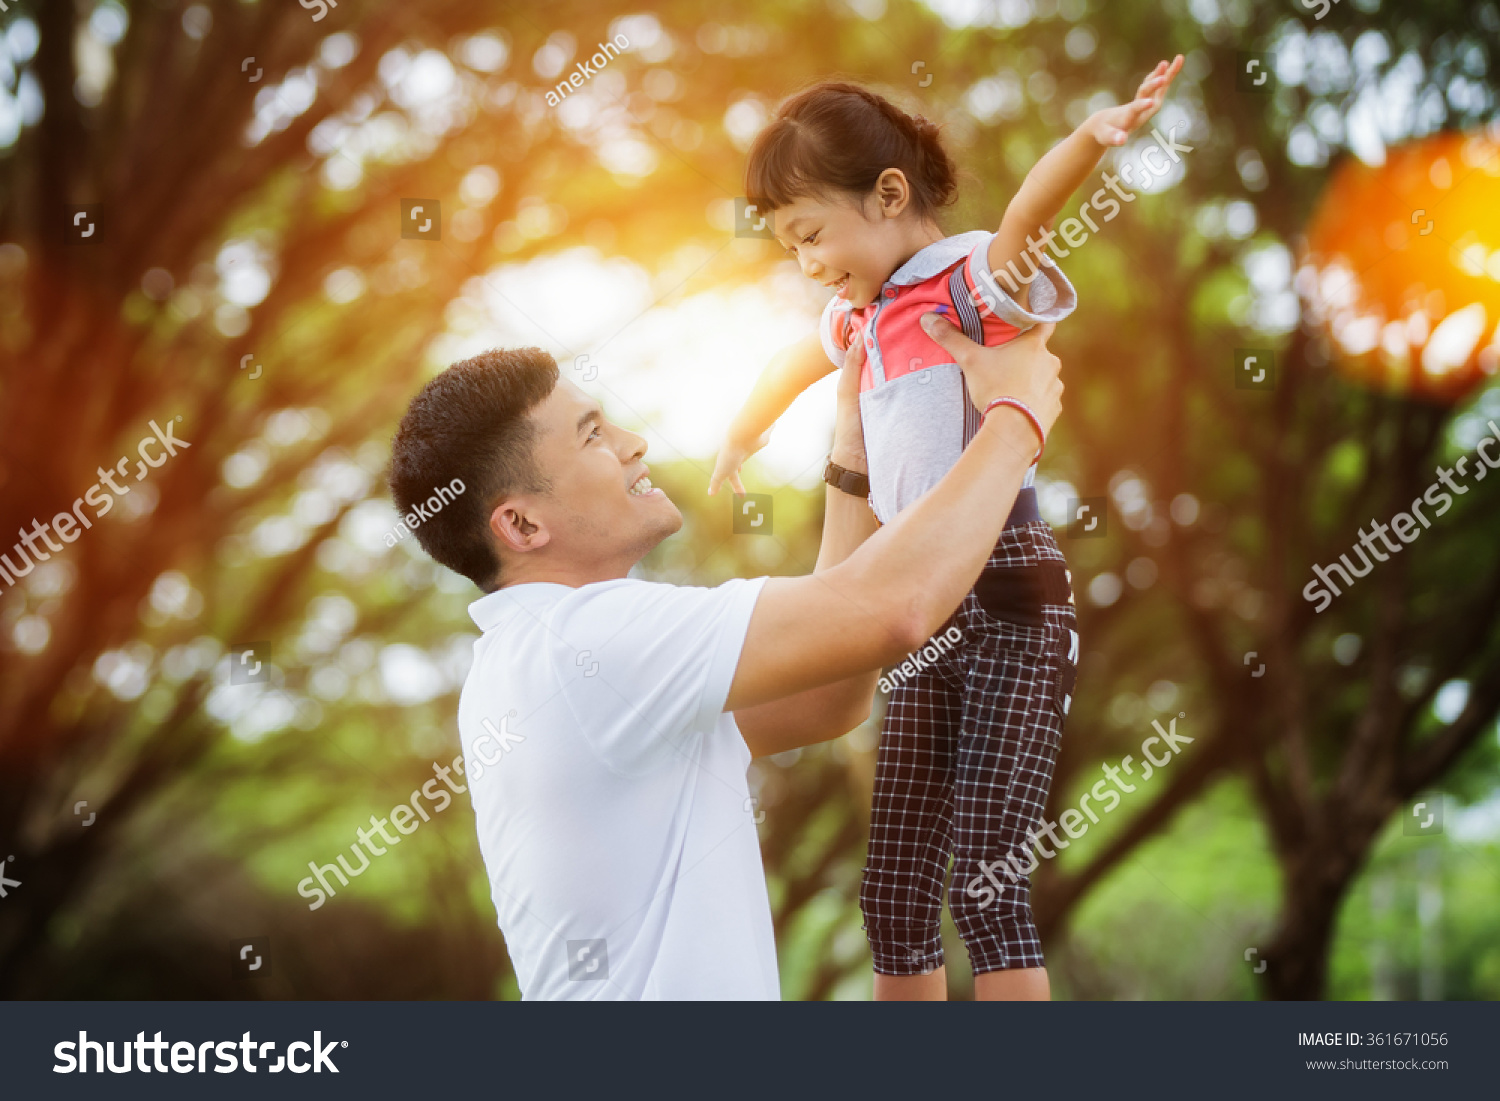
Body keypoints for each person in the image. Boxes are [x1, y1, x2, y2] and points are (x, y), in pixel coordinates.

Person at [386, 313, 1061, 1000]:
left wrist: (851, 462)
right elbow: (894, 610)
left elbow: (827, 698)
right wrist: (1014, 419)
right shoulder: (585, 641)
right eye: (592, 435)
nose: (632, 442)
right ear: (522, 524)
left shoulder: (532, 658)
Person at [704, 62, 1179, 999]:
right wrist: (740, 432)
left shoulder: (969, 283)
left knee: (986, 886)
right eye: (789, 248)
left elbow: (1029, 217)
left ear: (889, 195)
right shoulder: (862, 319)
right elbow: (793, 361)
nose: (807, 264)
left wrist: (1090, 138)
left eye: (811, 234)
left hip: (1007, 595)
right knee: (892, 895)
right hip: (916, 602)